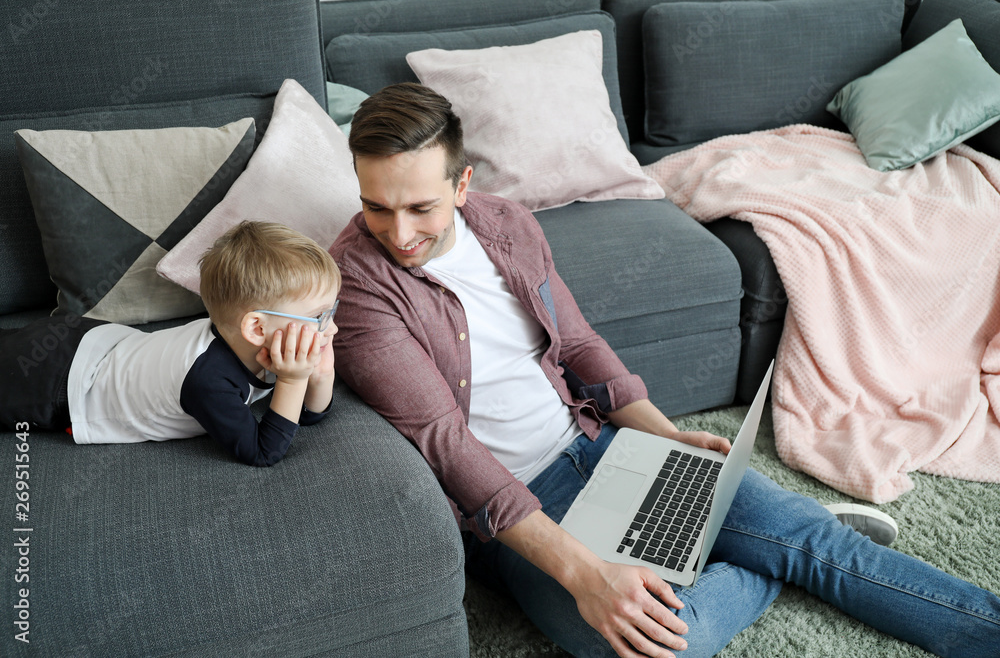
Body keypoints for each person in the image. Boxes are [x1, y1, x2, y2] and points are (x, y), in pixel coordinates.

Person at [329, 83, 1000, 658]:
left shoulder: (505, 223)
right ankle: (781, 542)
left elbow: (581, 344)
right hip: (517, 513)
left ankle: (834, 555)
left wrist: (663, 435)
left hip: (602, 446)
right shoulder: (358, 287)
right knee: (651, 641)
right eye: (376, 205)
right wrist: (587, 575)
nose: (397, 230)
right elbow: (446, 446)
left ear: (463, 183)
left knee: (821, 545)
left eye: (420, 206)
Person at [0, 221, 340, 466]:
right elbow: (263, 451)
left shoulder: (264, 346)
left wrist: (321, 377)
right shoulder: (209, 380)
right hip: (56, 379)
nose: (333, 328)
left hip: (91, 342)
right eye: (320, 316)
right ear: (256, 327)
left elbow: (302, 416)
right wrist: (296, 381)